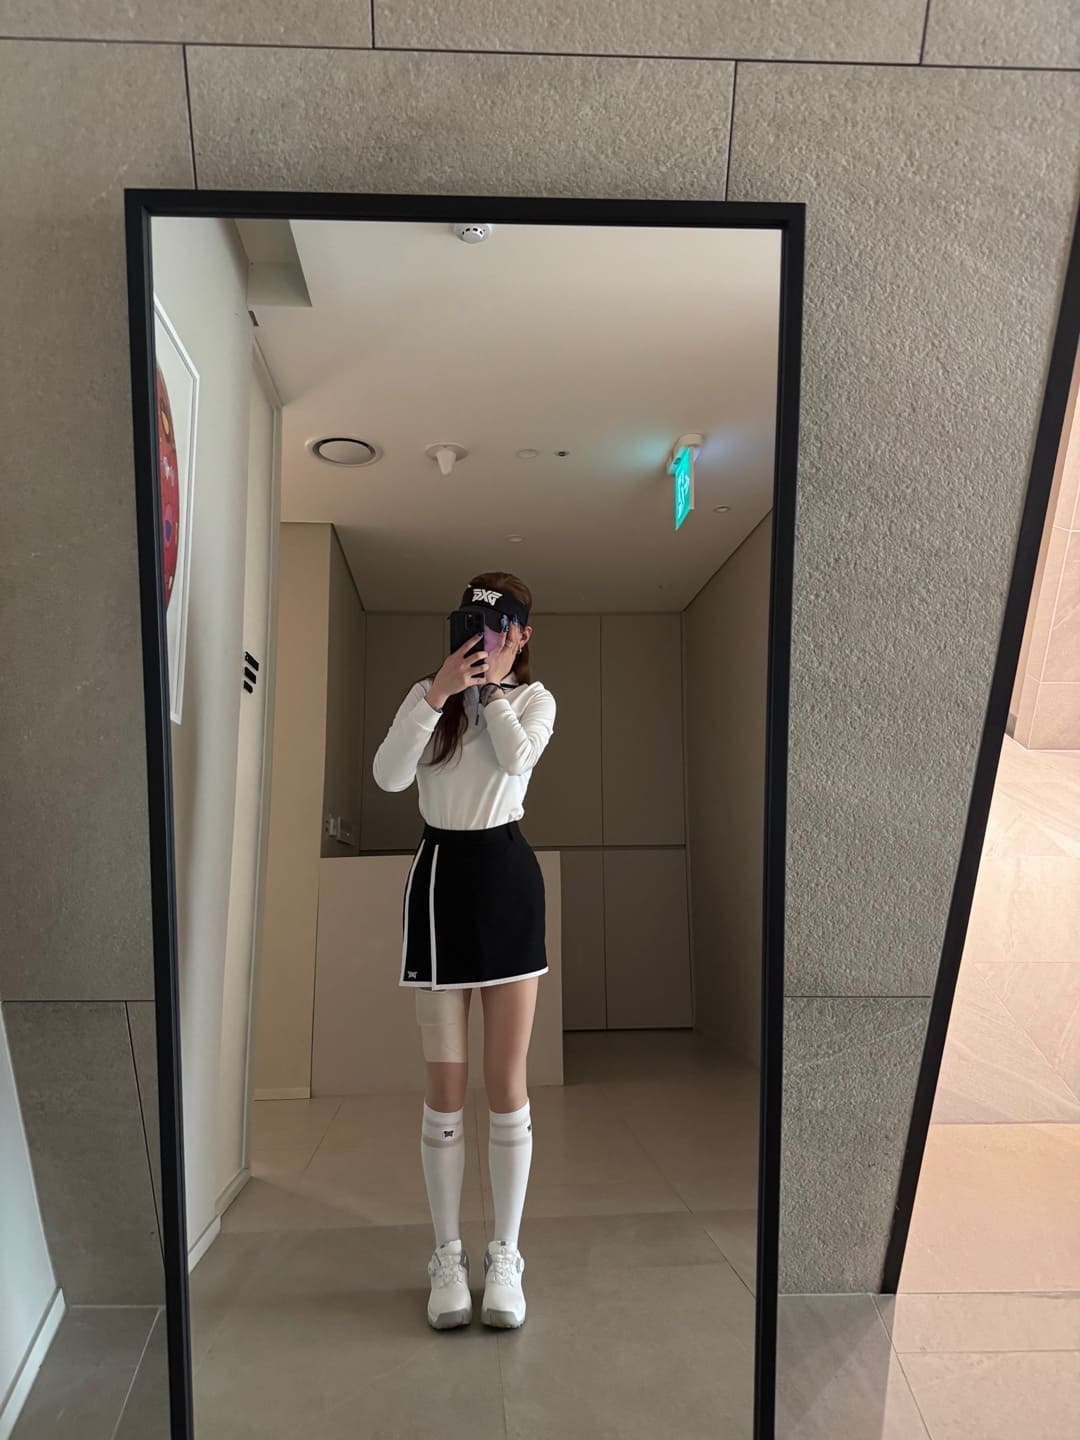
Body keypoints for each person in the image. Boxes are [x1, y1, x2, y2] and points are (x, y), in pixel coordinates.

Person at [372, 572, 556, 1331]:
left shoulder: (537, 700)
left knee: (505, 1082)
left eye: (499, 629)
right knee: (444, 1089)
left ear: (522, 635)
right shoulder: (430, 697)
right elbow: (388, 777)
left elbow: (516, 762)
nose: (484, 641)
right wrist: (440, 693)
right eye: (473, 627)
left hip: (506, 884)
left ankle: (505, 1254)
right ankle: (446, 1255)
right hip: (440, 886)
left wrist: (493, 692)